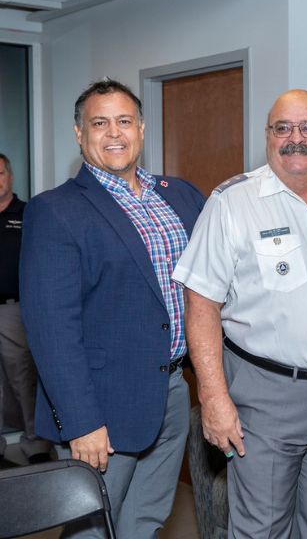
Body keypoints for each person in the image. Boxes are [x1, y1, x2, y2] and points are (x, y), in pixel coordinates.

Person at [173, 88, 307, 538]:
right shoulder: (232, 203)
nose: (295, 138)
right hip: (265, 398)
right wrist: (213, 397)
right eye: (283, 128)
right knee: (261, 529)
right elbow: (201, 304)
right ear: (267, 136)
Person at [19, 78, 205, 538]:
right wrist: (82, 422)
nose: (114, 133)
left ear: (141, 128)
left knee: (146, 519)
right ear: (79, 133)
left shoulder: (179, 196)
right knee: (91, 526)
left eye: (124, 121)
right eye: (99, 123)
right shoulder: (55, 210)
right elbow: (51, 329)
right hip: (101, 403)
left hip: (173, 392)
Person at [0, 153, 52, 467]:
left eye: (0, 172)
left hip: (15, 309)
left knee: (23, 378)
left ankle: (35, 444)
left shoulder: (28, 213)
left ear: (10, 176)